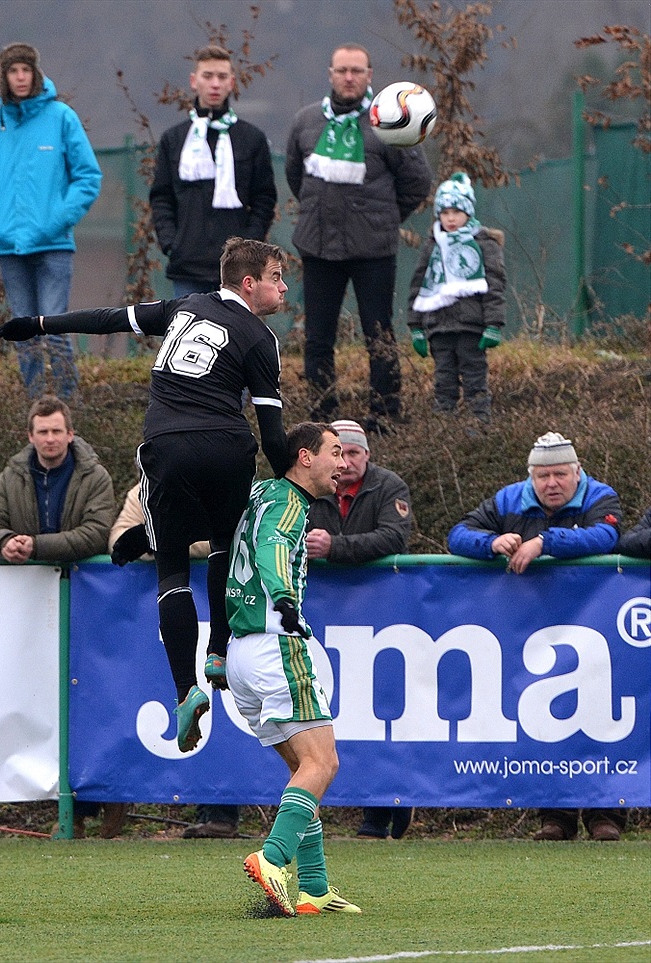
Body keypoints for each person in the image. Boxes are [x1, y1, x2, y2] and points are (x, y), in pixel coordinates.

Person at [0, 237, 290, 758]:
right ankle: (218, 651)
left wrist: (36, 325)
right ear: (249, 283)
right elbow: (274, 437)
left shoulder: (180, 308)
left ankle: (184, 690)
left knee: (171, 565)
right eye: (277, 276)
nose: (284, 287)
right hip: (227, 446)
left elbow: (103, 319)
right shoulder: (262, 339)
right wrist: (305, 474)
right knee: (225, 540)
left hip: (167, 446)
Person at [447, 430, 627, 841]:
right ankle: (556, 815)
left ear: (577, 472)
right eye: (542, 476)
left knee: (601, 713)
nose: (551, 484)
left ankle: (606, 816)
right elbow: (457, 535)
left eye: (560, 475)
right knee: (549, 718)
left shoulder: (600, 495)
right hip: (534, 626)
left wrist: (544, 542)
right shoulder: (509, 498)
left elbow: (607, 536)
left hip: (595, 623)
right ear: (531, 476)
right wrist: (491, 542)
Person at [227, 422, 361, 916]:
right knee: (323, 764)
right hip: (276, 643)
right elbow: (272, 550)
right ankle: (274, 857)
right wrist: (284, 598)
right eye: (335, 453)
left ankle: (316, 889)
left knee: (303, 769)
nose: (343, 463)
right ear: (305, 457)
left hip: (243, 651)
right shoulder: (287, 502)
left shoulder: (260, 493)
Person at [0, 395, 123, 839]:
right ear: (30, 436)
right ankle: (71, 811)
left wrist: (38, 547)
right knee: (45, 702)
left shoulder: (93, 474)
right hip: (30, 610)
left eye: (57, 430)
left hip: (91, 601)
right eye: (42, 431)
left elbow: (99, 534)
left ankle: (113, 800)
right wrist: (3, 544)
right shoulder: (12, 473)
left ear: (71, 434)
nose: (50, 439)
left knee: (99, 701)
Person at [285, 43, 432, 428]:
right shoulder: (305, 122)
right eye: (342, 70)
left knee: (378, 335)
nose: (349, 77)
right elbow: (295, 177)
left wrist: (383, 218)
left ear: (369, 75)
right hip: (318, 248)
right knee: (317, 339)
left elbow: (417, 181)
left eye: (357, 70)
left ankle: (385, 415)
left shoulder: (389, 121)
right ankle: (321, 415)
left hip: (373, 252)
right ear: (330, 74)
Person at [0, 42, 102, 402]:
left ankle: (70, 406)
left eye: (26, 69)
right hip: (9, 247)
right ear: (5, 76)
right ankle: (33, 408)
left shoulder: (61, 118)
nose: (20, 77)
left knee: (55, 327)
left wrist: (56, 220)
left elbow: (87, 177)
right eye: (13, 70)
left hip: (54, 246)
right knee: (21, 332)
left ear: (36, 73)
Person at [109, 484, 239, 838]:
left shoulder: (162, 487)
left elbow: (131, 542)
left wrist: (157, 537)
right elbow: (117, 541)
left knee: (217, 719)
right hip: (219, 613)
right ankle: (217, 650)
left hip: (175, 609)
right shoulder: (146, 491)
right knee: (230, 717)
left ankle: (222, 809)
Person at [306, 417, 413, 840]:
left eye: (353, 453)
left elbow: (394, 538)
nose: (345, 461)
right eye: (337, 452)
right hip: (319, 618)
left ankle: (386, 807)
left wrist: (335, 548)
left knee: (382, 711)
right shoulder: (309, 487)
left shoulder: (389, 487)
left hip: (382, 615)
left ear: (367, 454)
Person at [150, 44, 277, 298]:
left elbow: (264, 199)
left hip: (239, 272)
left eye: (221, 77)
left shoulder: (251, 139)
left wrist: (247, 246)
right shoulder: (174, 139)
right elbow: (161, 197)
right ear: (194, 81)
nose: (215, 84)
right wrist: (172, 244)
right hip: (187, 267)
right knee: (189, 336)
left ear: (231, 83)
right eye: (208, 76)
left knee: (236, 336)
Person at [407, 172, 506, 424]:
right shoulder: (433, 244)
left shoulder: (484, 243)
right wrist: (416, 326)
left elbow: (494, 286)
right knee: (444, 384)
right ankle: (444, 434)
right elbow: (419, 284)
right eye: (444, 212)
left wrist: (493, 325)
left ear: (468, 212)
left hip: (471, 327)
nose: (450, 218)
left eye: (456, 212)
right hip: (438, 327)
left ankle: (479, 429)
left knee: (475, 381)